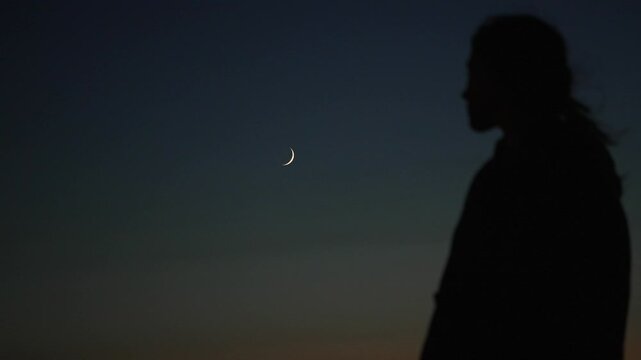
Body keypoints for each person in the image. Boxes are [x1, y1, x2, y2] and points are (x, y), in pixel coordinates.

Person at [421, 15, 630, 359]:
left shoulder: (524, 181)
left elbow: (465, 310)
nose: (465, 91)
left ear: (508, 75)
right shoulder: (582, 173)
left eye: (474, 73)